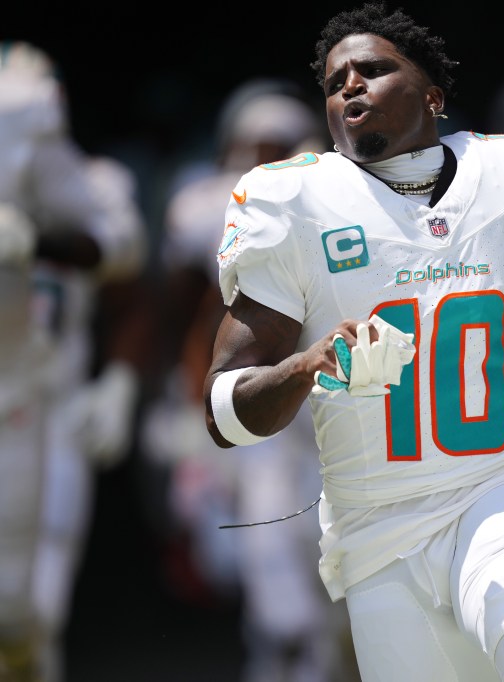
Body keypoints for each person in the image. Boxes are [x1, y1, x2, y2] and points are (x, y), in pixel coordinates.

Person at [201, 3, 504, 682]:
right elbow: (221, 411)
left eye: (373, 70)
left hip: (496, 488)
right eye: (335, 81)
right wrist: (306, 365)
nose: (350, 86)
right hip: (377, 528)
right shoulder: (295, 203)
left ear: (434, 96)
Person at [143, 78, 363, 682]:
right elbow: (191, 319)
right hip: (258, 414)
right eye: (257, 145)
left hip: (334, 412)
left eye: (282, 145)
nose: (269, 160)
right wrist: (190, 409)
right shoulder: (209, 210)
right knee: (272, 585)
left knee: (344, 575)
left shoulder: (347, 204)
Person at [0, 40, 147, 682]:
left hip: (57, 400)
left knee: (33, 605)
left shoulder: (98, 184)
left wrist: (117, 380)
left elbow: (124, 265)